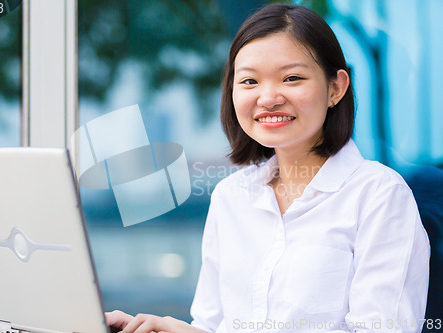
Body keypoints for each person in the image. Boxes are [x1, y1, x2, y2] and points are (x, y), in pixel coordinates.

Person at [106, 3, 430, 333]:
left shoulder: (378, 196)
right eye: (249, 81)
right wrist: (166, 329)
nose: (269, 97)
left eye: (292, 78)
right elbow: (215, 326)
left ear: (336, 88)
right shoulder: (230, 197)